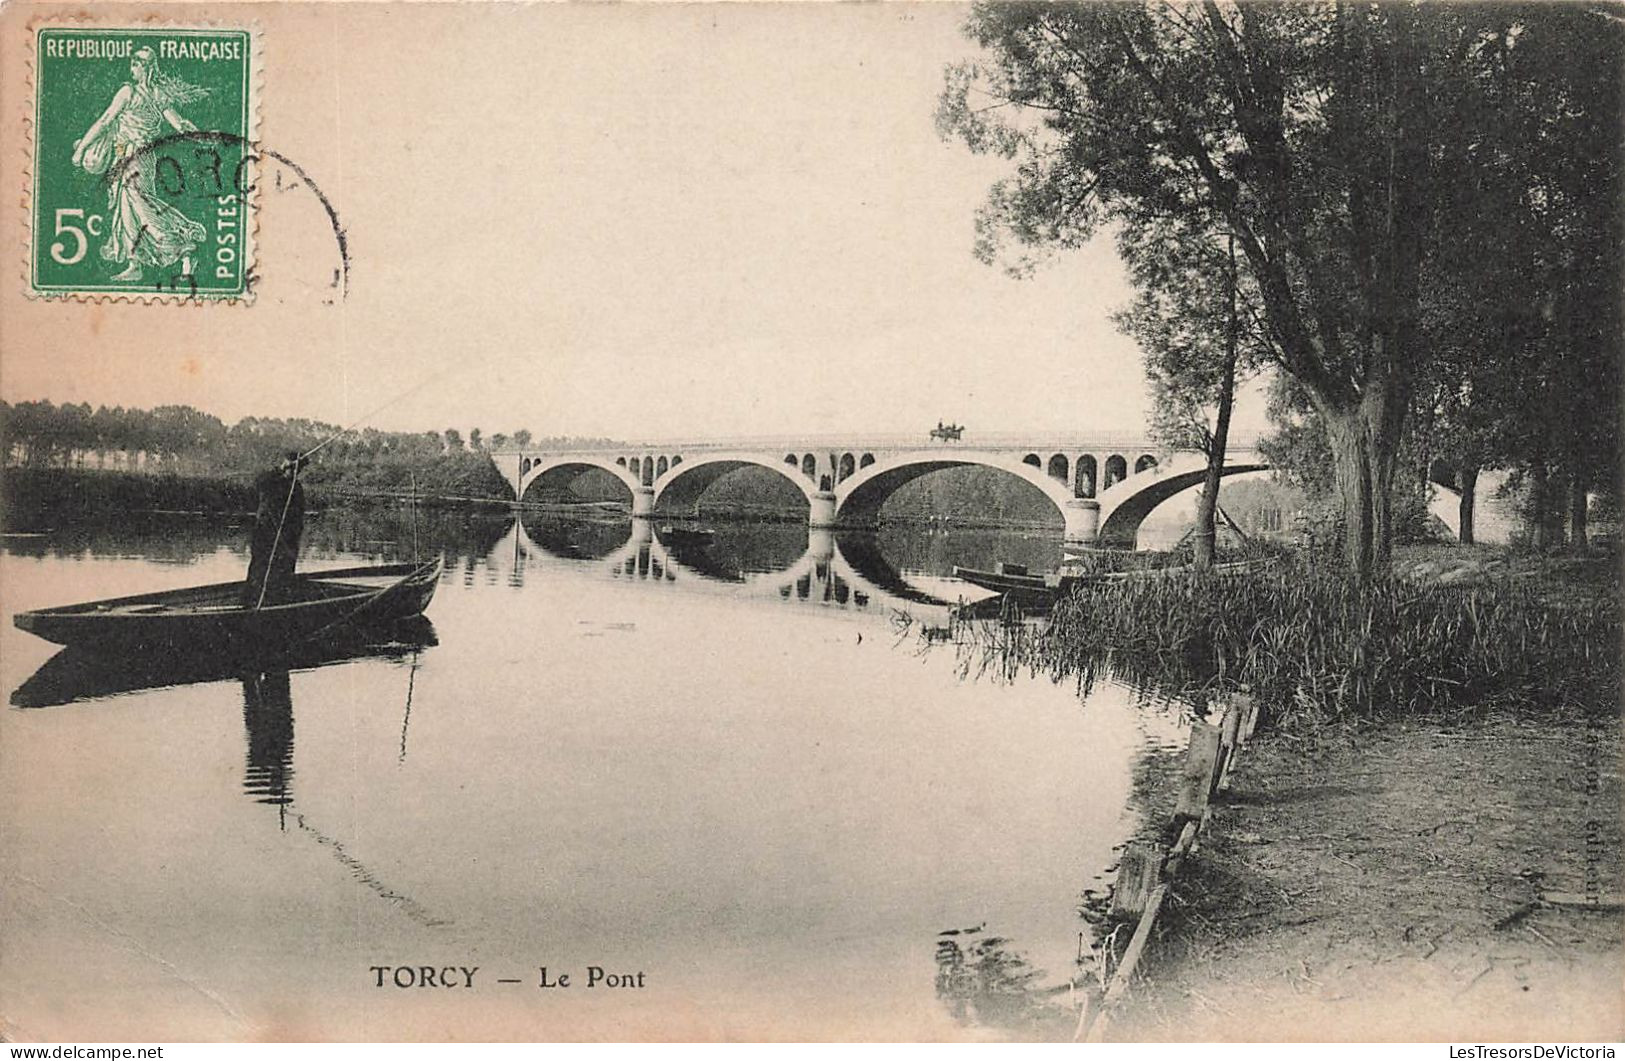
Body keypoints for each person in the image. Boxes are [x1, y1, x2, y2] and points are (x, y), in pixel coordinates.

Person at [70, 46, 208, 282]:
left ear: (148, 67)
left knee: (137, 202)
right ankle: (136, 263)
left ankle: (183, 243)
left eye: (137, 63)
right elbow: (178, 123)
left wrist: (82, 148)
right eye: (132, 62)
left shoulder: (130, 92)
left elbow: (105, 121)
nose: (132, 66)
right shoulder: (154, 94)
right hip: (132, 155)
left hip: (136, 156)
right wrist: (190, 131)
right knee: (127, 208)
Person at [243, 453, 307, 608]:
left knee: (284, 571)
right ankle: (251, 603)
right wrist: (280, 469)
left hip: (286, 538)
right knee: (260, 568)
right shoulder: (271, 481)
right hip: (265, 533)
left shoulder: (296, 488)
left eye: (298, 469)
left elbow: (299, 514)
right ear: (285, 466)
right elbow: (259, 482)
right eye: (291, 468)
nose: (294, 472)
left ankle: (277, 605)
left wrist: (293, 539)